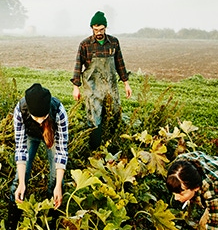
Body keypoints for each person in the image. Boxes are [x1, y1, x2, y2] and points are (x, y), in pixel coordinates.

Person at [71, 11, 132, 151]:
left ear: (106, 28)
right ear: (92, 28)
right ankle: (94, 150)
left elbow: (120, 63)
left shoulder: (114, 42)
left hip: (111, 86)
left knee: (113, 113)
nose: (99, 32)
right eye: (96, 29)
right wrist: (76, 87)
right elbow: (78, 65)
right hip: (92, 87)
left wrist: (126, 83)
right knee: (94, 115)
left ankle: (111, 147)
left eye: (102, 29)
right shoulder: (85, 45)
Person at [10, 83, 70, 212]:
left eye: (43, 117)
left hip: (51, 135)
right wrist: (21, 183)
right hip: (30, 136)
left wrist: (58, 185)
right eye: (36, 117)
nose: (40, 121)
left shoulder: (58, 111)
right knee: (19, 179)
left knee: (56, 181)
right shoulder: (20, 110)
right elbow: (20, 148)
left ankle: (53, 216)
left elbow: (61, 151)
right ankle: (13, 217)